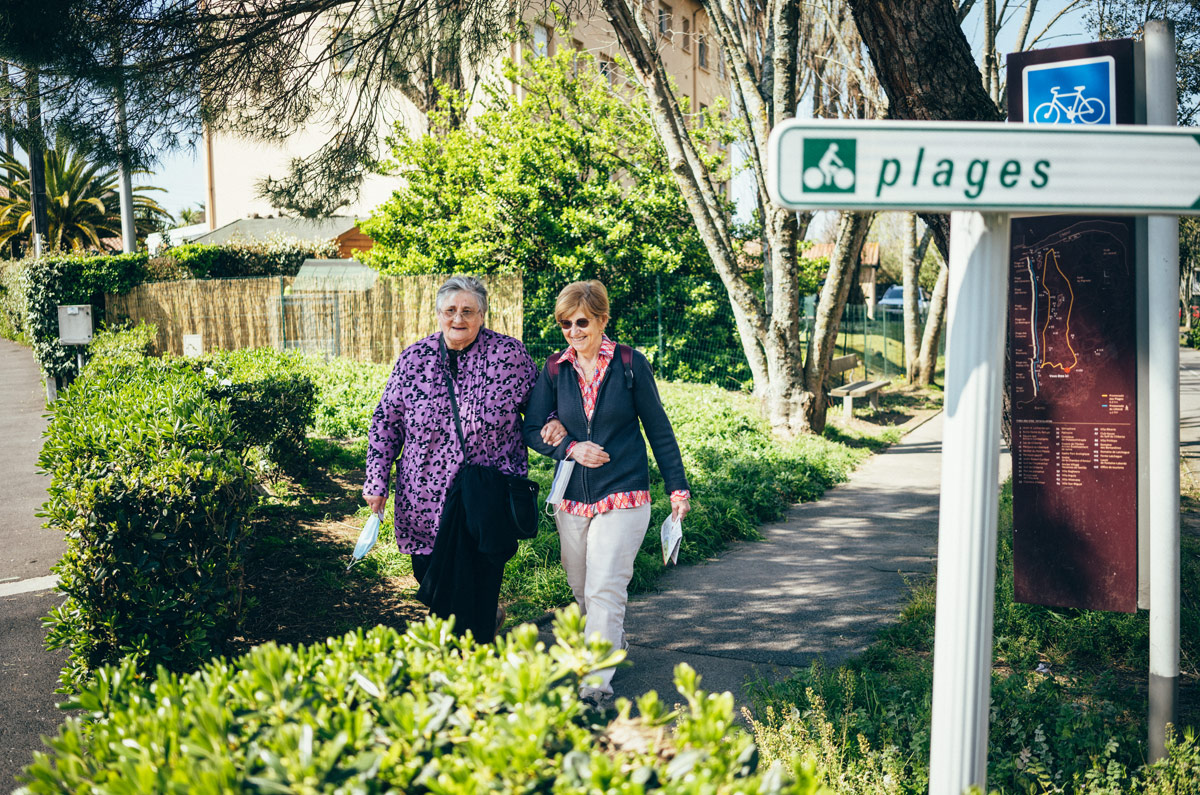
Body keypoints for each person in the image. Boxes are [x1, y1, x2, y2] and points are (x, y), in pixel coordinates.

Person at [523, 280, 691, 709]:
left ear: (602, 319)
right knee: (582, 585)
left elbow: (658, 429)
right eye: (565, 323)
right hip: (573, 497)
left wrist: (677, 488)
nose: (573, 331)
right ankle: (611, 637)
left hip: (625, 493)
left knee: (604, 587)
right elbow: (531, 428)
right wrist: (567, 446)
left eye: (582, 322)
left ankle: (595, 687)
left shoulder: (630, 364)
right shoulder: (555, 368)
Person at [363, 275, 536, 641]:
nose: (459, 318)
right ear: (439, 313)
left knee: (478, 586)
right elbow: (386, 422)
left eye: (468, 311)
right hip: (424, 502)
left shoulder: (509, 356)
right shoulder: (414, 359)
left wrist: (557, 431)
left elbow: (539, 411)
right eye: (451, 310)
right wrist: (376, 481)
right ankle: (482, 623)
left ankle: (473, 669)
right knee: (434, 584)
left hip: (486, 498)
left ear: (483, 315)